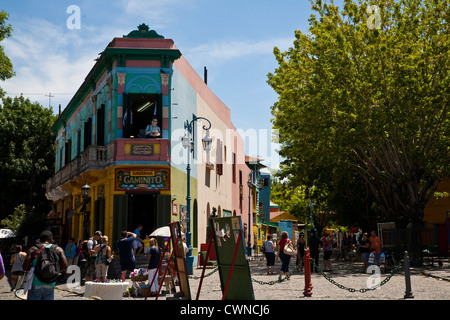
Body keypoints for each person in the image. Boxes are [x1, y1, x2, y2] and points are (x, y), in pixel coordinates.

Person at [22, 230, 68, 300]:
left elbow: (25, 267)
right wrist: (55, 271)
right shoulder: (58, 249)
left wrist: (33, 268)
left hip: (35, 283)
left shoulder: (33, 249)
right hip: (50, 283)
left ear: (40, 239)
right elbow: (65, 266)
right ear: (51, 238)